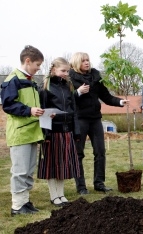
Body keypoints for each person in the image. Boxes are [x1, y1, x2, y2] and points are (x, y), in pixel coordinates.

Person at [69, 52, 129, 195]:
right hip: (79, 119)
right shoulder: (70, 79)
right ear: (77, 63)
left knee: (100, 152)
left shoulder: (96, 77)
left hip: (95, 119)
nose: (87, 63)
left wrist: (120, 102)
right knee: (79, 154)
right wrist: (77, 92)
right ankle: (81, 186)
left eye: (88, 60)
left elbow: (106, 96)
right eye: (83, 61)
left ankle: (99, 183)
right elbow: (66, 100)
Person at [0, 45, 44, 216]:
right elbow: (9, 105)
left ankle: (25, 202)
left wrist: (40, 112)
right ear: (27, 61)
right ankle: (17, 206)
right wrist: (30, 111)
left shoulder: (30, 80)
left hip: (32, 131)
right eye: (38, 64)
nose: (39, 68)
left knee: (28, 169)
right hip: (20, 132)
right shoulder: (13, 79)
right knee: (19, 171)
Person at [37, 57, 80, 207]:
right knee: (52, 165)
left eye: (67, 71)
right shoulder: (45, 87)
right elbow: (43, 112)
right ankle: (53, 195)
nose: (65, 73)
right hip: (52, 132)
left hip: (67, 131)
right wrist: (45, 134)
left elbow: (73, 110)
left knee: (63, 165)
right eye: (63, 70)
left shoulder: (68, 86)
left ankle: (61, 194)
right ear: (54, 69)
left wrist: (76, 131)